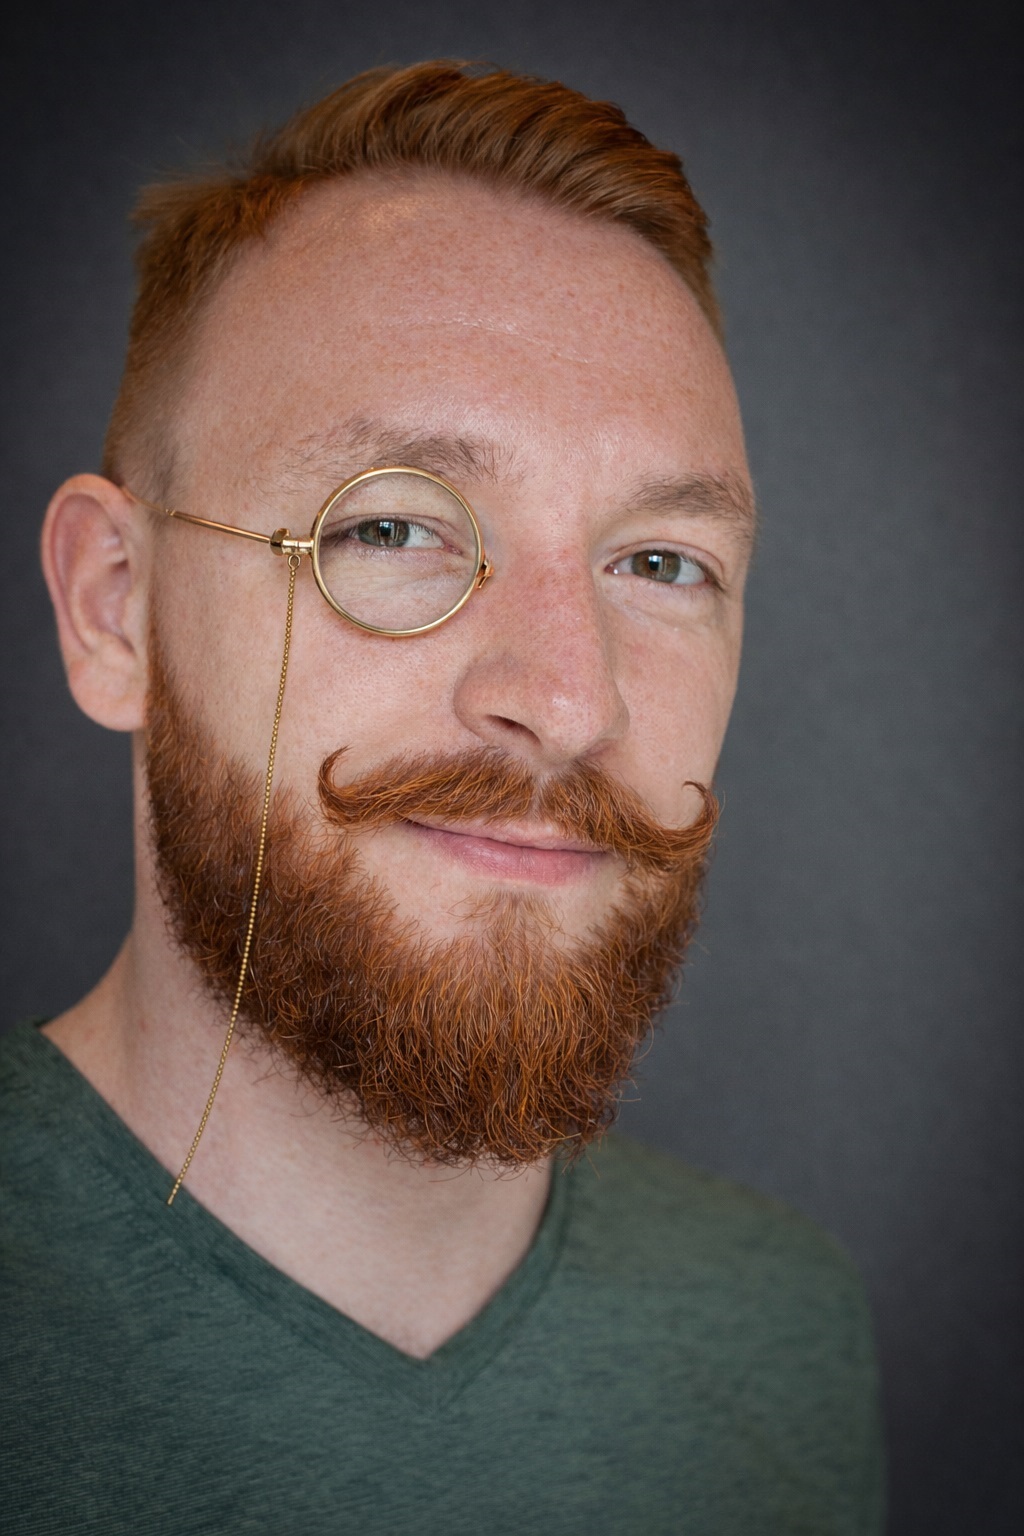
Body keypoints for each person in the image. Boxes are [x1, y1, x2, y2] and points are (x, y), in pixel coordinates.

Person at [0, 61, 884, 1534]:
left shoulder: (784, 1336)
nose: (571, 701)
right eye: (395, 527)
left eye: (660, 562)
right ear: (115, 608)